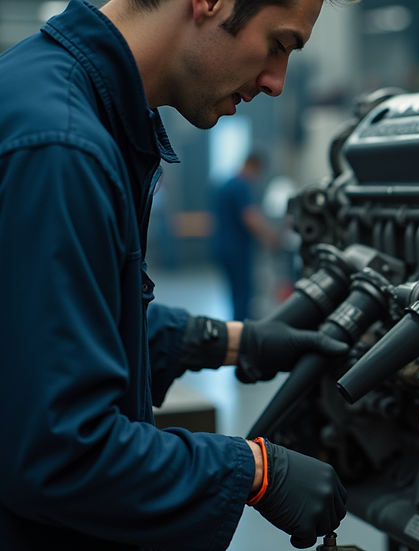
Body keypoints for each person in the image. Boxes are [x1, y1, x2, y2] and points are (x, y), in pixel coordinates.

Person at [0, 0, 355, 549]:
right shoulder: (63, 147)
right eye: (278, 45)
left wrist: (235, 342)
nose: (277, 82)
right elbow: (60, 453)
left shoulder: (63, 101)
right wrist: (255, 472)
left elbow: (45, 336)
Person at [212, 152, 280, 321]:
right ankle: (242, 336)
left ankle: (237, 329)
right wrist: (271, 237)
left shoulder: (225, 185)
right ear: (254, 166)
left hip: (223, 247)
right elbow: (251, 218)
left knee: (235, 294)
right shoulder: (241, 187)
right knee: (243, 295)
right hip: (237, 250)